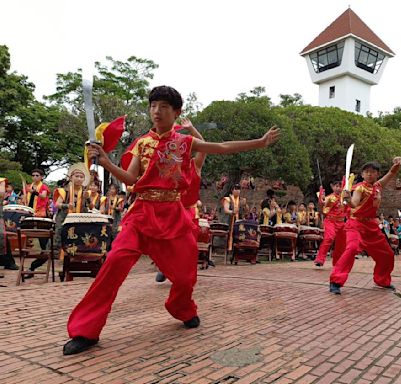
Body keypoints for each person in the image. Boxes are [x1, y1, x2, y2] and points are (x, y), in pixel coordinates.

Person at [63, 85, 279, 355]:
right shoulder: (142, 143)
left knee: (186, 278)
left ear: (176, 112)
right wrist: (106, 162)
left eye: (164, 107)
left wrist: (259, 142)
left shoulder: (186, 143)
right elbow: (131, 180)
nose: (156, 111)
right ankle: (85, 331)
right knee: (113, 264)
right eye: (153, 106)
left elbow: (222, 146)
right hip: (141, 214)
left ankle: (181, 308)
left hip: (173, 215)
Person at [329, 157, 401, 294]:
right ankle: (336, 281)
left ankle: (382, 280)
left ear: (377, 174)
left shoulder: (378, 187)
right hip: (355, 223)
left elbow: (391, 174)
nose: (369, 174)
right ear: (362, 175)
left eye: (373, 172)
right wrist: (347, 200)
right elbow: (354, 203)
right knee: (351, 249)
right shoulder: (359, 188)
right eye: (366, 172)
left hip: (371, 226)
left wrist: (398, 164)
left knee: (387, 254)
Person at [155, 117, 207, 282]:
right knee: (165, 242)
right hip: (172, 209)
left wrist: (191, 129)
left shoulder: (195, 165)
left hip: (189, 212)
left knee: (186, 247)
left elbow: (203, 147)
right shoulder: (170, 167)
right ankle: (164, 268)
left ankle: (182, 274)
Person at [26, 163, 90, 277]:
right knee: (52, 247)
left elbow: (91, 207)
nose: (79, 179)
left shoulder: (85, 192)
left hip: (78, 223)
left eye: (81, 177)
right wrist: (67, 206)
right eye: (77, 176)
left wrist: (87, 199)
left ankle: (69, 270)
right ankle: (33, 267)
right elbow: (57, 204)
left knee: (77, 247)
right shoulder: (64, 190)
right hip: (64, 223)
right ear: (71, 177)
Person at [313, 181, 347, 267]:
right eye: (336, 186)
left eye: (340, 186)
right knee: (329, 237)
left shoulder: (345, 198)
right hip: (330, 221)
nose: (338, 188)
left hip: (341, 223)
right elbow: (322, 206)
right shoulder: (330, 197)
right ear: (332, 187)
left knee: (341, 243)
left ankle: (337, 262)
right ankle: (320, 259)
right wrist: (321, 200)